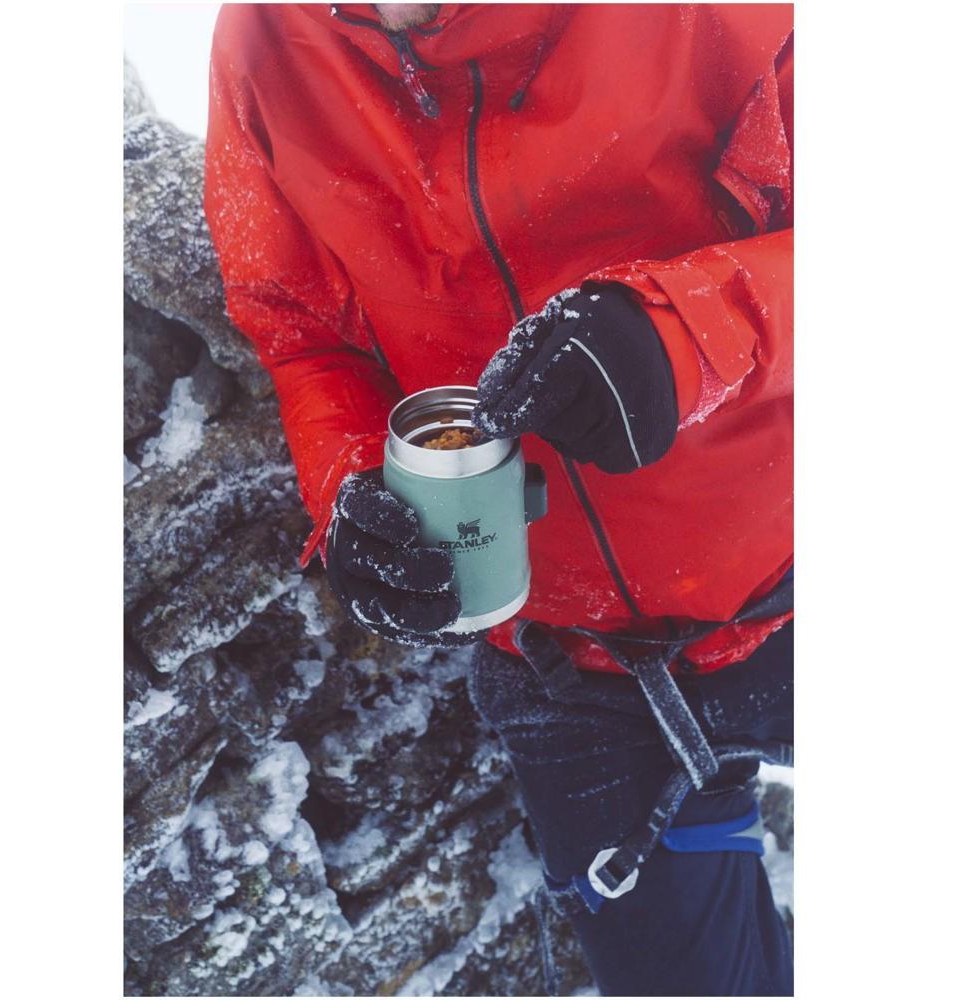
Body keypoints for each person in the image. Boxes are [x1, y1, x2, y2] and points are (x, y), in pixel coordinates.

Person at [204, 4, 793, 995]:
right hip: (571, 666)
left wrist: (685, 333)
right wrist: (352, 487)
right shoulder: (263, 45)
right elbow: (303, 334)